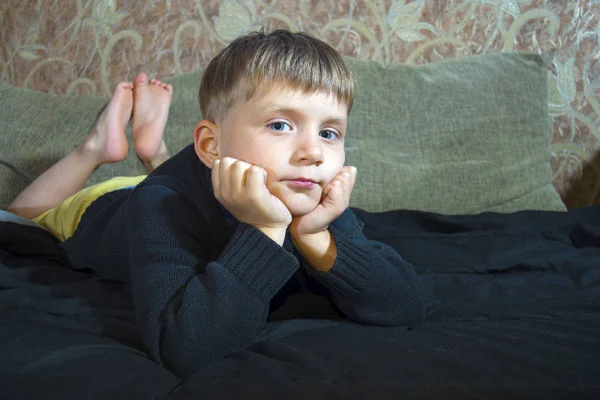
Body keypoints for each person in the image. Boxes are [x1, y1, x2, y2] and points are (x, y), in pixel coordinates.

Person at [7, 29, 424, 378]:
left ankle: (154, 152)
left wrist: (316, 237)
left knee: (180, 181)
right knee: (23, 215)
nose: (314, 152)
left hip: (192, 176)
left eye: (330, 133)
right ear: (211, 143)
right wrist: (264, 231)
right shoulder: (160, 203)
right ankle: (98, 146)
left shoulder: (307, 192)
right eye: (280, 125)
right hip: (108, 206)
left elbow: (403, 306)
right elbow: (185, 350)